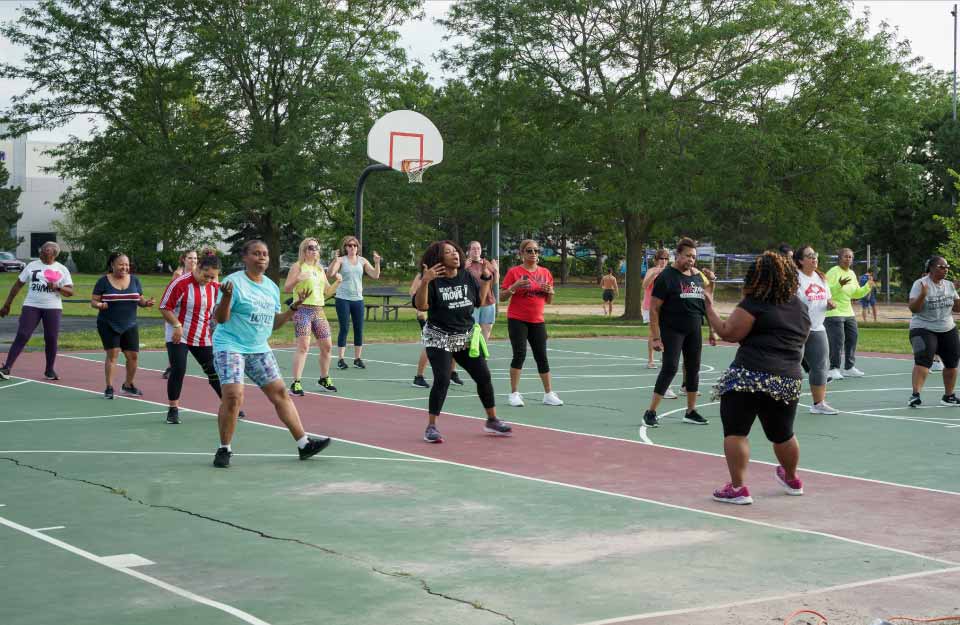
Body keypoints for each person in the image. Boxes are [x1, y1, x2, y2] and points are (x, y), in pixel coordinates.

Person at [211, 240, 331, 468]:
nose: (262, 257)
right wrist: (226, 298)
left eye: (265, 254)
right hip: (230, 345)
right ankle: (224, 448)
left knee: (280, 393)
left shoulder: (270, 287)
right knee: (234, 395)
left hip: (258, 347)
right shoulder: (233, 282)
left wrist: (293, 308)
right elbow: (221, 319)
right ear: (245, 258)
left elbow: (273, 325)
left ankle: (304, 444)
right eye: (256, 254)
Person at [703, 251, 811, 504]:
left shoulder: (755, 303)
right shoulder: (799, 306)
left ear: (757, 276)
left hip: (749, 375)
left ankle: (738, 488)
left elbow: (728, 333)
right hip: (787, 378)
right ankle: (792, 478)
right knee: (783, 433)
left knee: (736, 431)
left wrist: (709, 307)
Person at [415, 240, 510, 442]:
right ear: (439, 259)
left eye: (455, 252)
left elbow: (480, 301)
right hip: (439, 337)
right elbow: (422, 306)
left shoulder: (466, 276)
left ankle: (492, 420)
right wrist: (425, 281)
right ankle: (431, 426)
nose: (455, 255)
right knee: (442, 379)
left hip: (464, 336)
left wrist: (486, 278)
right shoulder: (434, 280)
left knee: (483, 376)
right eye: (448, 253)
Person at [642, 238, 716, 428]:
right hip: (672, 329)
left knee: (693, 369)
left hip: (694, 329)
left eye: (694, 257)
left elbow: (706, 304)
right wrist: (656, 336)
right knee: (670, 367)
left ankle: (691, 411)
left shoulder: (697, 276)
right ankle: (650, 412)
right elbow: (654, 308)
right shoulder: (666, 277)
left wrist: (711, 330)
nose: (691, 260)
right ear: (678, 255)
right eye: (687, 256)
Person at [159, 253, 239, 424]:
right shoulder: (180, 283)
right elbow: (165, 307)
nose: (208, 280)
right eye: (206, 275)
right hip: (178, 334)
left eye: (212, 277)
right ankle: (173, 409)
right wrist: (176, 325)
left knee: (213, 370)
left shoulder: (215, 287)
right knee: (178, 369)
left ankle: (229, 405)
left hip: (202, 335)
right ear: (198, 267)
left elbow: (219, 312)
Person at [501, 239, 563, 407]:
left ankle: (548, 393)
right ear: (522, 254)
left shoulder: (545, 272)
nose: (533, 254)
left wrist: (550, 292)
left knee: (542, 357)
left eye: (536, 251)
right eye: (529, 251)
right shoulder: (514, 272)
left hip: (537, 320)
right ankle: (514, 393)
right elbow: (502, 297)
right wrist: (515, 286)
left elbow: (549, 300)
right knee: (519, 355)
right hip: (517, 319)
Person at [0, 241, 74, 381]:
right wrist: (7, 304)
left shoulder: (62, 269)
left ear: (53, 253)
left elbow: (70, 292)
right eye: (41, 249)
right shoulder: (32, 266)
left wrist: (57, 287)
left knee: (51, 338)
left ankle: (49, 370)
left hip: (53, 307)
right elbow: (17, 286)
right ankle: (7, 367)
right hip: (31, 305)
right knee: (23, 334)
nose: (41, 252)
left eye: (45, 250)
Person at [91, 253, 155, 399]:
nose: (124, 267)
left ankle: (128, 385)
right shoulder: (103, 281)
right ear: (112, 265)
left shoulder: (134, 280)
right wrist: (100, 305)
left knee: (133, 356)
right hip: (108, 323)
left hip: (130, 323)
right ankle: (109, 387)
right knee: (113, 354)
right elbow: (93, 301)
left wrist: (146, 303)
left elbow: (139, 299)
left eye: (127, 264)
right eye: (121, 264)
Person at [284, 238, 342, 396]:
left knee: (327, 346)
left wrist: (337, 282)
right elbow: (287, 288)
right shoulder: (297, 266)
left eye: (316, 247)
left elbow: (327, 292)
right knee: (303, 346)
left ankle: (324, 378)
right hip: (302, 310)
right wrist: (298, 278)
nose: (314, 250)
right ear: (304, 250)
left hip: (318, 310)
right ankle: (295, 383)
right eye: (310, 247)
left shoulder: (319, 269)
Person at [907, 256, 960, 408]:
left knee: (952, 362)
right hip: (922, 327)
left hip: (947, 327)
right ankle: (915, 395)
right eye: (941, 267)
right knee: (924, 360)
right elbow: (913, 309)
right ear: (931, 268)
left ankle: (948, 396)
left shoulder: (949, 285)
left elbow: (956, 308)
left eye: (947, 266)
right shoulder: (920, 284)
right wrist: (923, 294)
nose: (945, 269)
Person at [793, 246, 838, 415]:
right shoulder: (795, 278)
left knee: (821, 366)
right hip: (797, 329)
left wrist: (830, 303)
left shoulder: (821, 277)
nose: (814, 258)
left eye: (815, 255)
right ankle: (780, 400)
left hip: (818, 328)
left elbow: (827, 298)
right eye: (810, 256)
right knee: (791, 366)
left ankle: (818, 404)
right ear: (800, 260)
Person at [327, 235, 381, 370]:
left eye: (355, 245)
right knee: (344, 328)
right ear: (345, 247)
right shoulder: (341, 260)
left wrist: (377, 262)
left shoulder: (362, 261)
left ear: (358, 247)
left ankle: (357, 359)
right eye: (349, 245)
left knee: (359, 329)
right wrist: (334, 261)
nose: (352, 247)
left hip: (358, 299)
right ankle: (341, 359)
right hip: (343, 298)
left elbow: (375, 275)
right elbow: (331, 273)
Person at [824, 248, 875, 380]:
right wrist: (839, 285)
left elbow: (856, 293)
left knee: (852, 338)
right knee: (838, 341)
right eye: (845, 257)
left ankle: (849, 368)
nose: (848, 259)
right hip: (833, 312)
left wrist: (867, 287)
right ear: (839, 258)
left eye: (850, 257)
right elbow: (825, 291)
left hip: (848, 312)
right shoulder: (833, 272)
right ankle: (833, 368)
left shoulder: (852, 273)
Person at [409, 270, 463, 389]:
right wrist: (420, 310)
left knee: (453, 343)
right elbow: (413, 291)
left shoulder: (446, 274)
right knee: (429, 346)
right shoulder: (425, 274)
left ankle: (452, 373)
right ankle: (419, 377)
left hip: (445, 316)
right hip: (428, 316)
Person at [162, 250, 199, 380]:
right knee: (175, 341)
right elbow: (172, 296)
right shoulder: (178, 274)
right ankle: (171, 366)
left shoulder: (199, 274)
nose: (193, 260)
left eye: (195, 258)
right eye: (190, 258)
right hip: (177, 314)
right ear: (184, 260)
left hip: (192, 315)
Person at [641, 250, 671, 372]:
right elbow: (644, 285)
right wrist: (655, 274)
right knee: (652, 332)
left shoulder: (670, 272)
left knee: (667, 332)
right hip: (650, 305)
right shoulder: (651, 270)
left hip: (665, 306)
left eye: (666, 259)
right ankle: (650, 360)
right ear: (656, 260)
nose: (663, 261)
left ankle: (665, 357)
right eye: (661, 259)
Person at [465, 241, 499, 340]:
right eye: (473, 248)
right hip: (472, 302)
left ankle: (482, 354)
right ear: (469, 251)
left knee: (486, 331)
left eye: (478, 248)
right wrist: (464, 268)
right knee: (472, 332)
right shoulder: (465, 264)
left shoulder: (486, 263)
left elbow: (494, 282)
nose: (476, 250)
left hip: (488, 301)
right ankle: (472, 354)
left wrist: (496, 270)